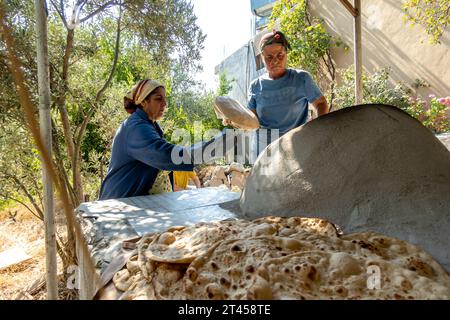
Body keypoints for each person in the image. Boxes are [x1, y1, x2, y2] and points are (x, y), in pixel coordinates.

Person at [98, 79, 227, 200]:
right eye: (158, 99)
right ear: (143, 102)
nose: (164, 104)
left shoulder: (150, 125)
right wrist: (221, 143)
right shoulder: (136, 128)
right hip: (119, 204)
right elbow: (169, 156)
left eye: (165, 99)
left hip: (136, 202)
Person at [247, 30, 329, 155]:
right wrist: (236, 120)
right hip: (264, 151)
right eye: (269, 57)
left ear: (286, 54)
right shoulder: (255, 86)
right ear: (262, 57)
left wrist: (319, 128)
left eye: (280, 55)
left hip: (295, 147)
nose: (275, 61)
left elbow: (321, 103)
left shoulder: (301, 78)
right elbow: (251, 120)